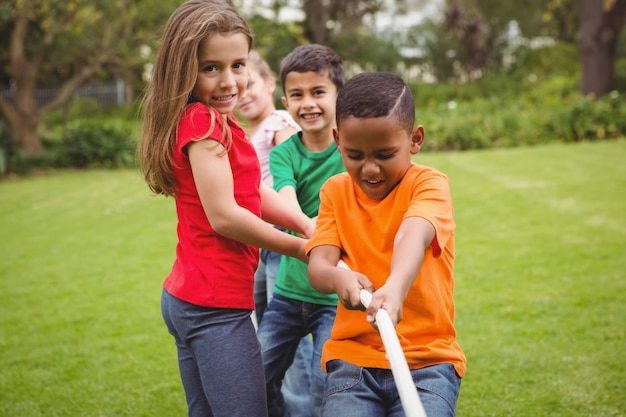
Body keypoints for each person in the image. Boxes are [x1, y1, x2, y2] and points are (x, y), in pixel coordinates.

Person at [136, 2, 315, 417]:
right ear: (183, 70)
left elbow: (250, 192)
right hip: (213, 308)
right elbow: (225, 216)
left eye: (237, 64)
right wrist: (301, 250)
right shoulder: (205, 125)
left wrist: (303, 223)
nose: (229, 81)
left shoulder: (215, 119)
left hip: (191, 296)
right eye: (211, 68)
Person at [306, 72, 467, 417]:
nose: (370, 169)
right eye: (354, 155)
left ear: (415, 139)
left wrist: (394, 289)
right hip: (353, 361)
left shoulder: (428, 184)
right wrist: (339, 280)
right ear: (337, 140)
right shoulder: (334, 191)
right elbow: (319, 266)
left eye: (385, 154)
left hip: (427, 361)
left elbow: (414, 233)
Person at [255, 43, 345, 417]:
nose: (307, 103)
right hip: (289, 294)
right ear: (285, 101)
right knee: (256, 378)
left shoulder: (351, 151)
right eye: (297, 95)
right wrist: (309, 229)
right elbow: (285, 196)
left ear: (339, 95)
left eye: (318, 92)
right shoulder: (284, 152)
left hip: (334, 300)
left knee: (325, 387)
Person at [235, 50, 314, 417]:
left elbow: (289, 174)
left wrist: (292, 220)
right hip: (262, 243)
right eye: (240, 88)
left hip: (281, 241)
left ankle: (301, 407)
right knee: (269, 331)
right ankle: (278, 403)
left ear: (269, 84)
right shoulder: (249, 132)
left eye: (250, 84)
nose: (244, 93)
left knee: (287, 332)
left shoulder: (278, 123)